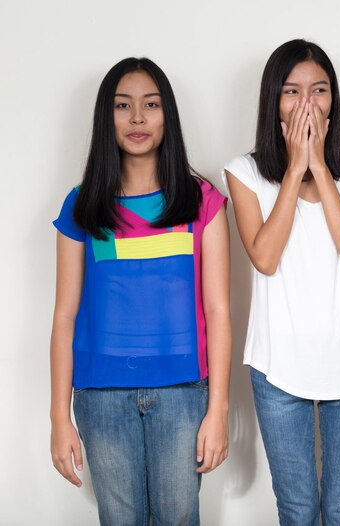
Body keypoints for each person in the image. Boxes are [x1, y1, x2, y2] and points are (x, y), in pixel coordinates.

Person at [50, 57, 231, 525]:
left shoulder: (201, 201)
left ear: (166, 114)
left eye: (150, 105)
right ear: (104, 118)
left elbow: (219, 309)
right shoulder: (82, 206)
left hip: (183, 394)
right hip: (100, 397)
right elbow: (64, 315)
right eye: (122, 106)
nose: (136, 118)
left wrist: (218, 410)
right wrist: (58, 416)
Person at [223, 39, 340, 526]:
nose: (307, 103)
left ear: (334, 100)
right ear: (273, 100)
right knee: (296, 510)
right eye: (292, 91)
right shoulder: (245, 173)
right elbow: (265, 258)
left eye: (319, 90)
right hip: (278, 364)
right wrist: (295, 169)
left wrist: (320, 168)